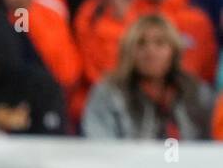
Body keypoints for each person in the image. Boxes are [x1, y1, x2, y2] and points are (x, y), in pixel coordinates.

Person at [74, 0, 218, 102]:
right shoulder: (101, 9)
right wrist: (118, 19)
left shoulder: (196, 20)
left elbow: (201, 84)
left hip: (178, 119)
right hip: (120, 112)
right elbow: (103, 75)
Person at [82, 14, 215, 139]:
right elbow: (99, 142)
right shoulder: (109, 92)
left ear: (173, 50)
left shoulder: (197, 92)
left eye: (160, 43)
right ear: (129, 51)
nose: (150, 51)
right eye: (141, 43)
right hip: (125, 162)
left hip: (188, 162)